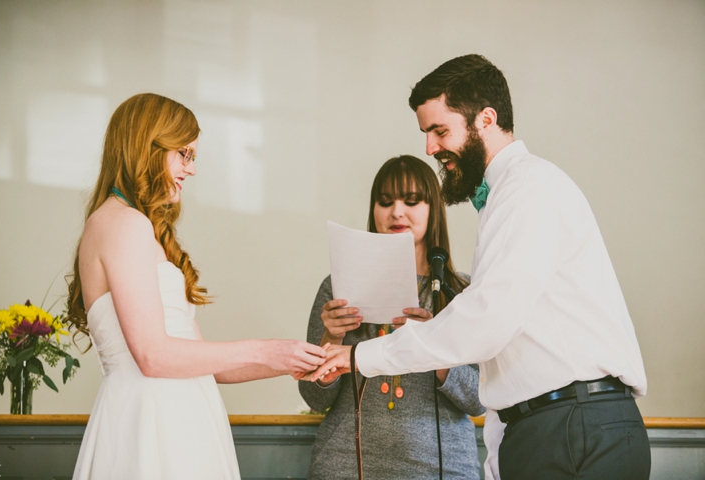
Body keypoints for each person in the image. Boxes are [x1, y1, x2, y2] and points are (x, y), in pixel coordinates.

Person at [309, 55, 650, 480]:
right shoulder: (507, 196)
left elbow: (485, 321)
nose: (430, 148)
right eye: (426, 133)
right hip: (548, 425)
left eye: (440, 131)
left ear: (486, 119)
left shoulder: (528, 188)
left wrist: (361, 354)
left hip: (571, 425)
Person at [65, 93, 326, 480]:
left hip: (175, 414)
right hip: (154, 423)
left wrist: (288, 360)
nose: (191, 169)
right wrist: (263, 349)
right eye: (183, 154)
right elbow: (153, 357)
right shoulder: (124, 224)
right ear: (146, 147)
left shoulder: (127, 224)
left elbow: (204, 362)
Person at [299, 155, 484, 479]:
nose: (397, 211)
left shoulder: (462, 291)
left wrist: (433, 346)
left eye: (411, 201)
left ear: (433, 208)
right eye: (385, 202)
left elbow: (480, 398)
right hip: (346, 465)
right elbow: (314, 397)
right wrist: (332, 339)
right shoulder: (338, 287)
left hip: (443, 468)